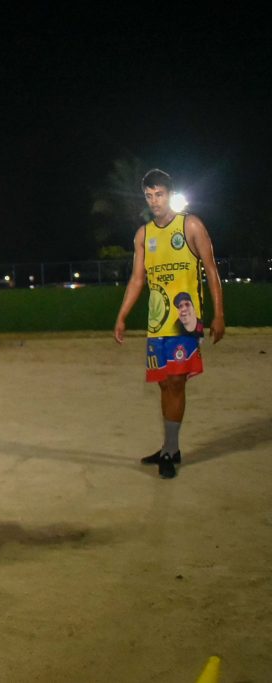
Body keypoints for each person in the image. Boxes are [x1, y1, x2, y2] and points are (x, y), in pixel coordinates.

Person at [114, 169, 225, 479]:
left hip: (184, 324)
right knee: (164, 383)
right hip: (156, 322)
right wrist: (122, 315)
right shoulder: (143, 235)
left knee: (176, 382)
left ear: (170, 194)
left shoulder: (190, 225)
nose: (154, 202)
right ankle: (170, 447)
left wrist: (219, 314)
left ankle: (169, 451)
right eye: (149, 196)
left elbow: (212, 270)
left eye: (159, 195)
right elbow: (137, 279)